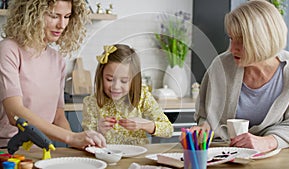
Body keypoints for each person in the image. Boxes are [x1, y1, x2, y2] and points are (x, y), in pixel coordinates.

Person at [192, 0, 289, 153]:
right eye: (231, 38)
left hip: (277, 158)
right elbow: (205, 117)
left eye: (242, 40)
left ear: (264, 40)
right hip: (223, 155)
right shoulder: (221, 65)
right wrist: (203, 129)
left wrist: (267, 142)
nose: (232, 48)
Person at [0, 0, 106, 149]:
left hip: (42, 150)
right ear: (32, 14)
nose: (62, 25)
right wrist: (72, 137)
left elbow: (58, 116)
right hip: (8, 150)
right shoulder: (8, 50)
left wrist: (80, 144)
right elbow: (14, 113)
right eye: (54, 16)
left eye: (67, 16)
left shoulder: (57, 60)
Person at [82, 44, 174, 145]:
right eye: (109, 79)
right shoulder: (91, 102)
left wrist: (144, 124)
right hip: (107, 157)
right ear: (101, 76)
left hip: (138, 157)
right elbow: (86, 141)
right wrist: (98, 131)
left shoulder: (142, 97)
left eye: (124, 81)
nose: (116, 86)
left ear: (133, 80)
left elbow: (169, 130)